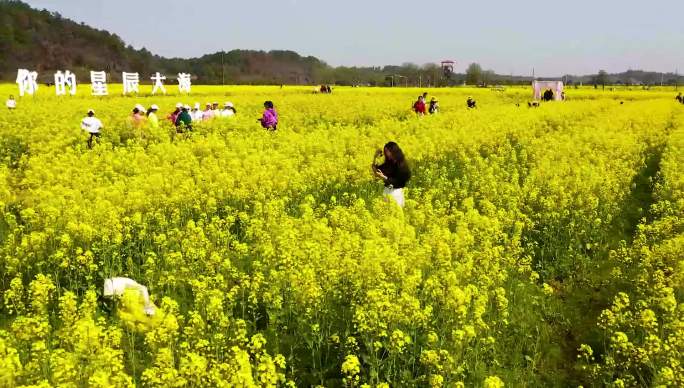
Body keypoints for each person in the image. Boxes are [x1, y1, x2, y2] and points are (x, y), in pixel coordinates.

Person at [372, 142, 411, 208]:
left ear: (394, 151)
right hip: (387, 191)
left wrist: (384, 177)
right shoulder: (389, 163)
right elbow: (376, 171)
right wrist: (375, 157)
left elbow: (399, 182)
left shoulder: (401, 165)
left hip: (396, 193)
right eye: (385, 151)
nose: (386, 154)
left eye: (388, 151)